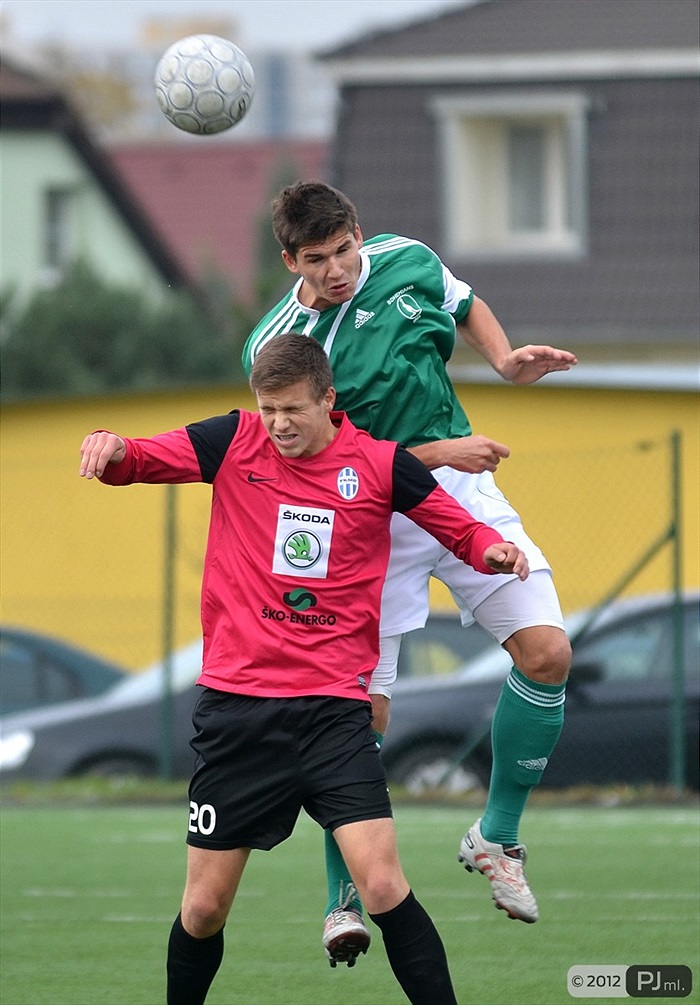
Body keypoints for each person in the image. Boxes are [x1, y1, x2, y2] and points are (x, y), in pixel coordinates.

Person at [79, 333, 529, 1005]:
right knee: (203, 908)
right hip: (237, 711)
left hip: (333, 714)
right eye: (269, 409)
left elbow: (457, 525)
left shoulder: (379, 463)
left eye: (292, 408)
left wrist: (491, 548)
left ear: (328, 399)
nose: (280, 423)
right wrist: (110, 445)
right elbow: (141, 457)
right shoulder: (233, 440)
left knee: (384, 885)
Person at [241, 182, 577, 959]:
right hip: (364, 518)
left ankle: (496, 835)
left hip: (460, 492)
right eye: (316, 260)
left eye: (344, 250)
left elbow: (464, 304)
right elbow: (314, 462)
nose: (337, 270)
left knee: (548, 653)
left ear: (359, 233)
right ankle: (342, 895)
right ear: (290, 261)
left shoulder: (407, 259)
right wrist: (437, 452)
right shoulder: (280, 347)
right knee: (359, 718)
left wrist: (505, 359)